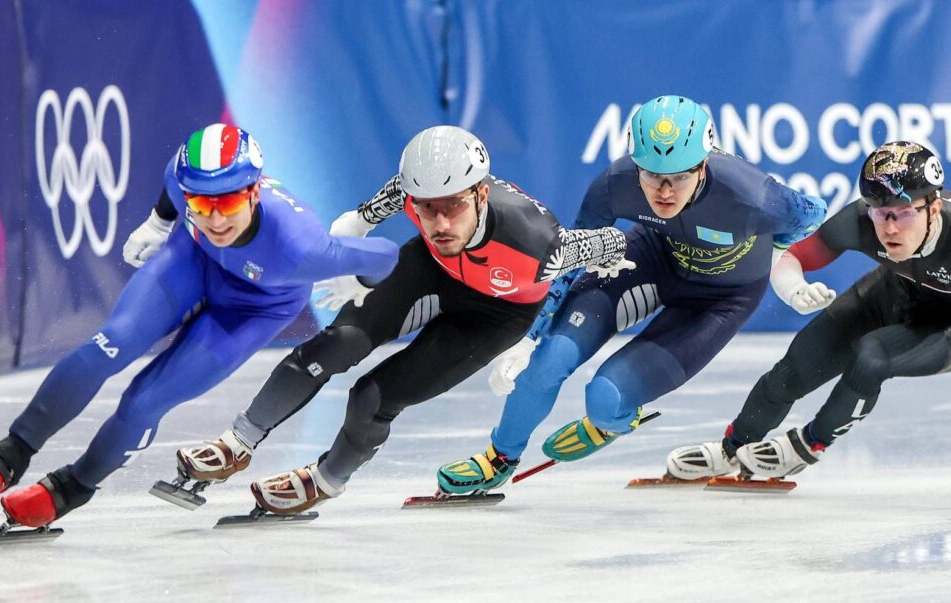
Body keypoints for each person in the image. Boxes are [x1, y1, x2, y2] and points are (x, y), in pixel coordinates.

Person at [0, 124, 399, 533]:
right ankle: (9, 455)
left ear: (254, 193)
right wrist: (160, 221)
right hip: (193, 261)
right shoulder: (187, 185)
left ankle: (72, 487)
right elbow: (174, 174)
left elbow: (384, 255)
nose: (216, 220)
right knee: (109, 345)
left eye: (228, 204)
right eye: (201, 205)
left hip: (254, 308)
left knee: (144, 402)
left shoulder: (301, 247)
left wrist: (359, 281)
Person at [174, 125, 632, 516]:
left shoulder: (540, 244)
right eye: (427, 207)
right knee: (338, 342)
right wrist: (353, 232)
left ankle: (328, 478)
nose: (440, 222)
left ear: (481, 194)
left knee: (372, 397)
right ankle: (238, 442)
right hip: (433, 268)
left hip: (498, 312)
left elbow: (610, 241)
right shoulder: (412, 193)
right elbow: (371, 211)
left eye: (453, 206)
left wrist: (532, 338)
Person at [434, 94, 829, 494]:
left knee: (605, 401)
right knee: (546, 360)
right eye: (652, 175)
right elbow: (569, 259)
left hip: (720, 301)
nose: (665, 191)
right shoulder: (615, 184)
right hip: (652, 259)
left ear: (703, 166)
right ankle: (499, 458)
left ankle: (611, 422)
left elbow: (814, 212)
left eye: (679, 176)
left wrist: (775, 251)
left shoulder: (752, 195)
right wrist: (528, 337)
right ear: (636, 165)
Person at [665, 140, 951, 481]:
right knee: (795, 366)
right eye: (880, 213)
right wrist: (793, 288)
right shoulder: (860, 221)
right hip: (894, 293)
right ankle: (732, 448)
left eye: (903, 213)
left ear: (934, 209)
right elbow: (794, 256)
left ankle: (809, 443)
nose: (889, 228)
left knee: (872, 357)